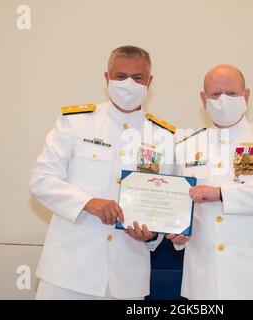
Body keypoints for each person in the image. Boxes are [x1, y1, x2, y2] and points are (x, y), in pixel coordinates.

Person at [30, 45, 175, 300]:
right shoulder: (76, 122)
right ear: (107, 78)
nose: (128, 84)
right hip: (69, 273)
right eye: (120, 76)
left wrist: (152, 234)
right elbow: (41, 180)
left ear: (149, 81)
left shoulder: (164, 137)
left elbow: (165, 204)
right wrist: (88, 202)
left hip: (127, 280)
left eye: (137, 78)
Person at [168, 64, 253, 299]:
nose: (223, 101)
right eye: (215, 94)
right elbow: (178, 206)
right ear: (203, 98)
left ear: (246, 95)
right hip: (204, 279)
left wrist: (220, 193)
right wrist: (178, 234)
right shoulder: (185, 146)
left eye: (231, 93)